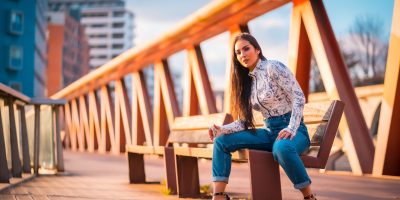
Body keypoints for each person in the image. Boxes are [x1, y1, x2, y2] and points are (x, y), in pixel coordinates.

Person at [208, 33, 316, 200]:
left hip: (294, 131)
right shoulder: (247, 82)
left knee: (282, 148)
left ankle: (309, 196)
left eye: (246, 49)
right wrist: (222, 129)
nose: (242, 54)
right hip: (269, 132)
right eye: (238, 52)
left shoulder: (273, 67)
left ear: (257, 50)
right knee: (221, 141)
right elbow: (244, 122)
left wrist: (291, 127)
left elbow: (299, 97)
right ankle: (219, 196)